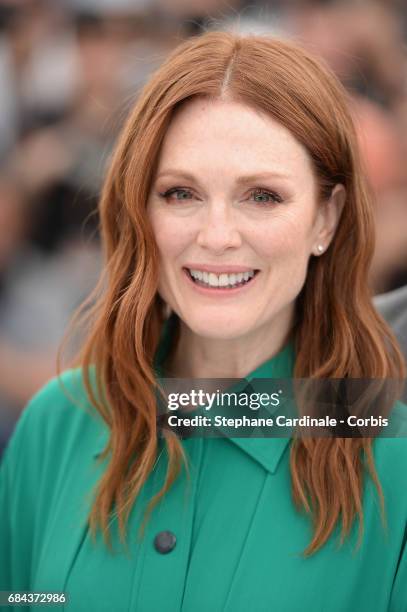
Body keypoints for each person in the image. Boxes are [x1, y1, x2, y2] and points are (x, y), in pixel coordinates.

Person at [1, 31, 406, 612]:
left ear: (327, 219)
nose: (216, 237)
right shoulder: (56, 423)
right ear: (141, 209)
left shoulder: (394, 459)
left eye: (262, 196)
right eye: (180, 193)